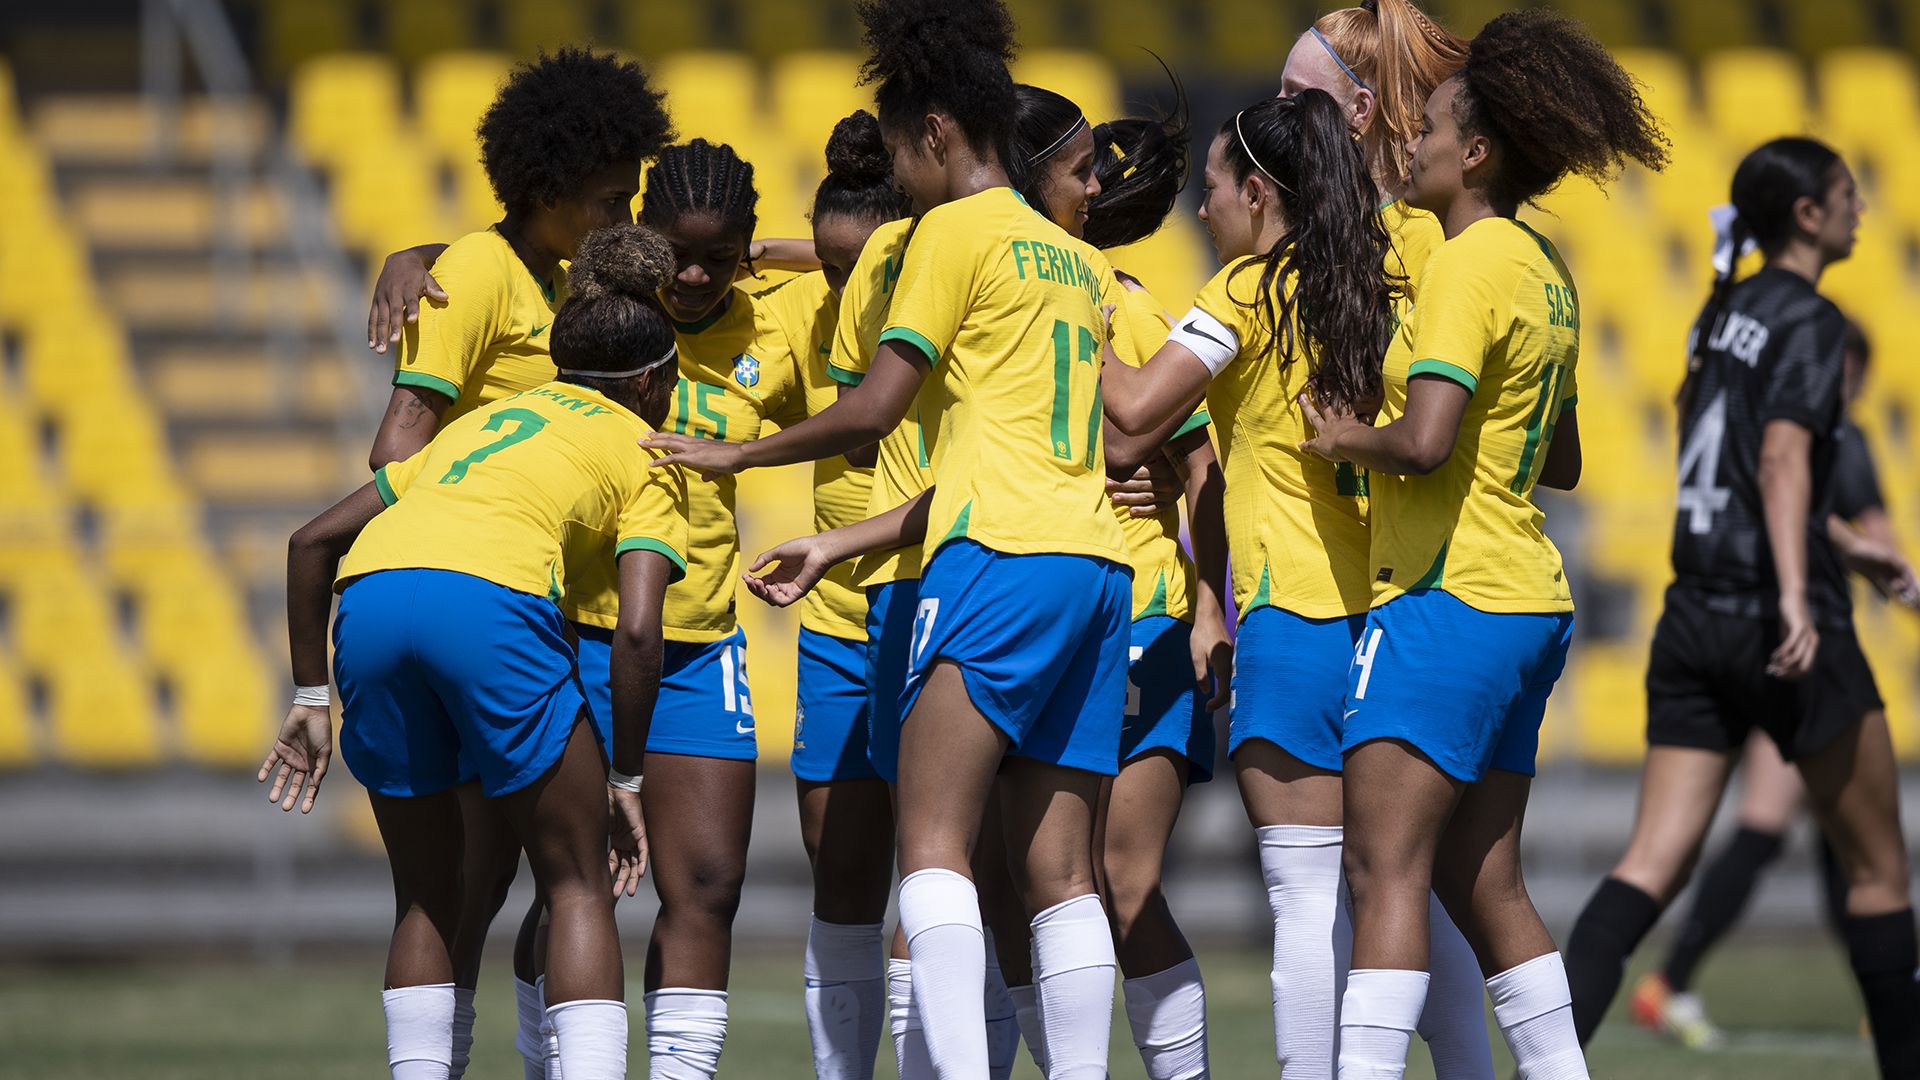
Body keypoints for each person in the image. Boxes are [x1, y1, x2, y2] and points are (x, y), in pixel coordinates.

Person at [644, 2, 1150, 1074]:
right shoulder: (1072, 258)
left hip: (993, 558)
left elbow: (876, 409)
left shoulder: (950, 234)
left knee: (932, 847)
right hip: (1096, 565)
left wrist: (740, 456)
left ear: (934, 133)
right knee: (1063, 873)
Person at [1293, 11, 1667, 1079]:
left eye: (1433, 129)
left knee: (1381, 869)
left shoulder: (1466, 265)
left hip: (1447, 600)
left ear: (1479, 153)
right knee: (1484, 880)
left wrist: (1341, 437)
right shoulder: (1544, 267)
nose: (1409, 144)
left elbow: (1422, 440)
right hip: (1523, 600)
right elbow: (1566, 460)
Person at [259, 223, 691, 1080]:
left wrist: (312, 699)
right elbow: (640, 630)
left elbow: (311, 543)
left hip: (373, 600)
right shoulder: (647, 455)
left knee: (427, 893)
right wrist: (628, 782)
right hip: (490, 603)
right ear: (651, 381)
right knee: (576, 883)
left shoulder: (475, 430)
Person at [1562, 138, 1920, 1078]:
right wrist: (1806, 591)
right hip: (1778, 619)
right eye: (1849, 195)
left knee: (1647, 868)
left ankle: (1544, 1067)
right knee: (1881, 871)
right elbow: (1779, 461)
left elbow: (1729, 469)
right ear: (1808, 215)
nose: (1861, 211)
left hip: (1693, 619)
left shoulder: (1718, 315)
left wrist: (1851, 548)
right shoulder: (1811, 317)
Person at [358, 47, 672, 1080]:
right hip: (510, 607)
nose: (624, 213)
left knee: (540, 880)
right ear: (541, 188)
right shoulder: (483, 275)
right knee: (495, 886)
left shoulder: (593, 269)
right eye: (604, 194)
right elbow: (397, 449)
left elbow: (729, 253)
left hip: (568, 604)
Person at [1006, 77, 1226, 1080]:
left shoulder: (1124, 309)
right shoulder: (1010, 290)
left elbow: (1202, 463)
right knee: (1040, 882)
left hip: (1135, 615)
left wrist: (1208, 599)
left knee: (1120, 881)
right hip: (1043, 610)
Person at [1628, 317, 1918, 1050]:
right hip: (1806, 654)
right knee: (1775, 828)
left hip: (1759, 641)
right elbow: (1881, 545)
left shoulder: (1771, 423)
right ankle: (1676, 978)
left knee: (1835, 844)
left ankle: (1875, 988)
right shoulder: (1836, 439)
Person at [747, 110, 913, 1079]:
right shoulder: (806, 313)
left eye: (856, 265)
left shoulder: (949, 305)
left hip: (935, 600)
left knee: (939, 865)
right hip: (839, 620)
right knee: (842, 873)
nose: (841, 282)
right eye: (827, 263)